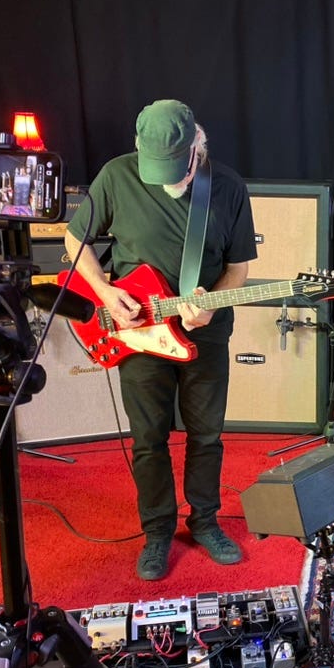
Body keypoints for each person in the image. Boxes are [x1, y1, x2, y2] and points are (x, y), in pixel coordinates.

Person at [64, 99, 257, 580]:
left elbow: (238, 270)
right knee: (147, 438)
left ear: (197, 147)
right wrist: (106, 292)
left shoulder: (228, 188)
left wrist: (212, 302)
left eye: (177, 168)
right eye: (158, 170)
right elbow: (75, 241)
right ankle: (156, 532)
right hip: (136, 331)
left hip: (203, 335)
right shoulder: (116, 176)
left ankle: (206, 522)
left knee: (206, 434)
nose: (169, 179)